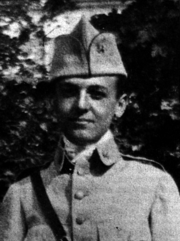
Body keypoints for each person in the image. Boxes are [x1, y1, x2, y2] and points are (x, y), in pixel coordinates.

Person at [0, 16, 180, 241]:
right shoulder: (22, 194)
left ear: (120, 105)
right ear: (52, 103)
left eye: (97, 94)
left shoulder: (154, 185)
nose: (82, 105)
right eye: (69, 92)